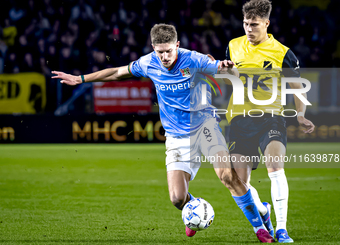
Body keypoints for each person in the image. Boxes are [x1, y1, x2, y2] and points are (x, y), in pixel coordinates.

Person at [52, 23, 275, 243]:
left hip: (205, 127)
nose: (165, 56)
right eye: (160, 52)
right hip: (176, 137)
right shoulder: (148, 63)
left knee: (227, 175)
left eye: (169, 50)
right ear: (153, 47)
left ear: (177, 45)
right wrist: (80, 79)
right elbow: (117, 72)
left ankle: (260, 228)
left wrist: (227, 67)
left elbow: (223, 68)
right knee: (177, 198)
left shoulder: (193, 59)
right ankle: (195, 209)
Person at [223, 0, 315, 243]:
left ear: (266, 23)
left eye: (254, 24)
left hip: (271, 118)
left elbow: (297, 87)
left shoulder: (282, 53)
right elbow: (231, 78)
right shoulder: (233, 46)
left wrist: (301, 114)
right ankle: (263, 210)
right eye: (245, 23)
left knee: (275, 168)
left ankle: (282, 229)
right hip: (240, 120)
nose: (248, 29)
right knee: (238, 182)